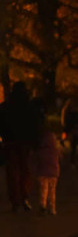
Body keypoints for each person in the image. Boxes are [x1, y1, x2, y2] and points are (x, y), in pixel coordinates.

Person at [0, 81, 38, 212]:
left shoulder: (5, 107)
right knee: (25, 171)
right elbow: (35, 125)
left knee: (12, 173)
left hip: (10, 143)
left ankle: (15, 200)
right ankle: (24, 197)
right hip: (25, 143)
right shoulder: (29, 107)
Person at [33, 128, 61, 215]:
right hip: (54, 173)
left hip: (42, 173)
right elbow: (60, 158)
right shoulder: (56, 151)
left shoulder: (41, 151)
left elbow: (36, 161)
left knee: (43, 190)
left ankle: (43, 206)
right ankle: (52, 208)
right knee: (52, 191)